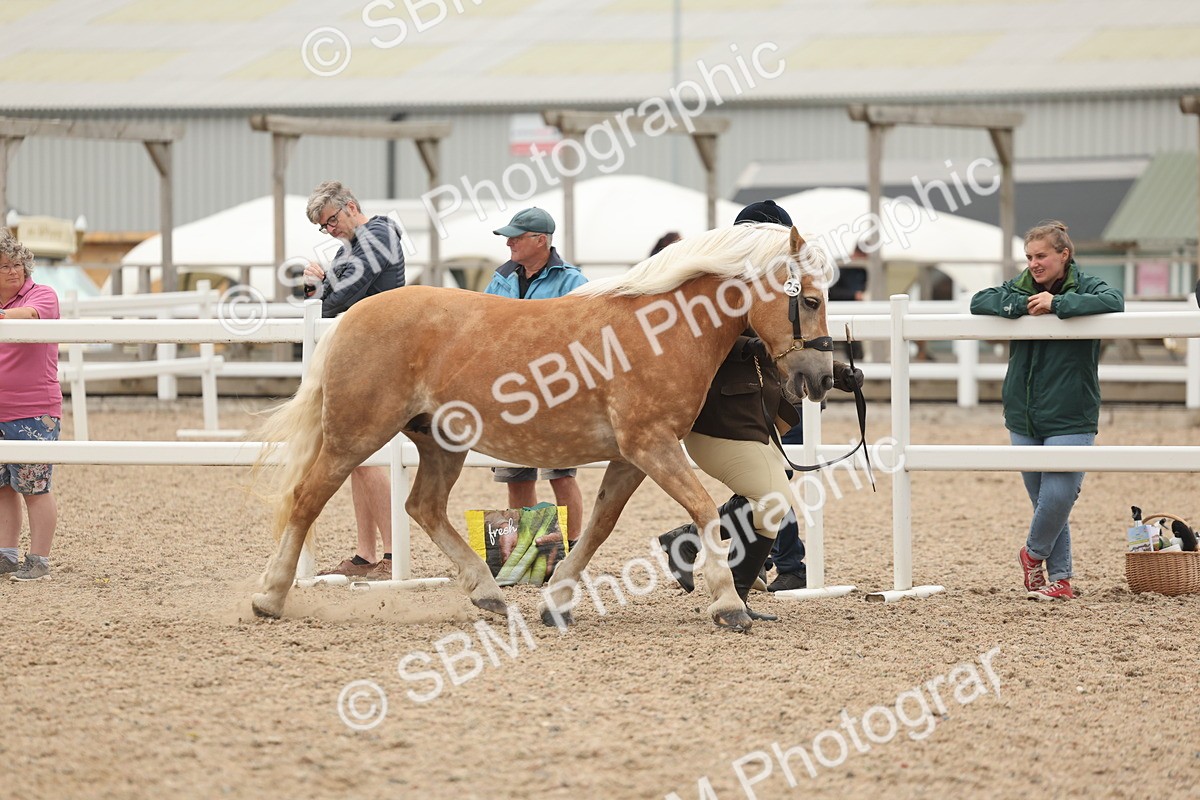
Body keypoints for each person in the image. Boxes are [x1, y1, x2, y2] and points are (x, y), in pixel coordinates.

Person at [659, 200, 864, 617]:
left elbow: (791, 338)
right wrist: (759, 346)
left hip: (762, 408)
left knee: (768, 492)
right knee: (772, 493)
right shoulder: (719, 292)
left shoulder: (771, 289)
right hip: (727, 414)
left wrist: (839, 373)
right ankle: (765, 570)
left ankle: (711, 555)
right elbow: (720, 339)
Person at [970, 220, 1123, 601]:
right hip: (1023, 412)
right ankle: (1061, 579)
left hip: (1071, 411)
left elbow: (1115, 301)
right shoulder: (1019, 287)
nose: (1034, 263)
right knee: (1046, 503)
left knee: (1058, 496)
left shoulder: (1087, 287)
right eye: (1029, 257)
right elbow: (979, 302)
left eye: (1041, 256)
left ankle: (1031, 554)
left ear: (1064, 255)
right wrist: (1022, 306)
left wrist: (1058, 305)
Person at [302, 180, 404, 580]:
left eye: (331, 221)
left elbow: (335, 300)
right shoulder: (355, 245)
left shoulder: (377, 236)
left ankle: (392, 555)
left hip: (382, 355)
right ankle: (367, 554)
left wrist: (321, 285)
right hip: (366, 356)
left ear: (350, 207)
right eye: (323, 227)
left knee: (366, 455)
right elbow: (328, 297)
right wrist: (321, 286)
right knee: (358, 459)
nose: (330, 230)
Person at [484, 207, 588, 545]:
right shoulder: (501, 278)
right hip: (511, 392)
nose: (509, 243)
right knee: (516, 476)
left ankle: (572, 549)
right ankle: (527, 552)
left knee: (560, 475)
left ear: (540, 240)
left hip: (556, 392)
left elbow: (586, 336)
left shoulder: (573, 282)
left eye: (516, 237)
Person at [0, 231, 62, 582]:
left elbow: (33, 314)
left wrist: (3, 316)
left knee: (35, 488)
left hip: (34, 410)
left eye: (17, 264)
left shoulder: (43, 294)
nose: (13, 271)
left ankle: (39, 559)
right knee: (2, 487)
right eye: (5, 266)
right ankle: (6, 555)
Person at [829, 244, 868, 361]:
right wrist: (853, 295)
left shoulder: (862, 269)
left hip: (855, 314)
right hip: (839, 313)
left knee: (855, 351)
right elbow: (832, 293)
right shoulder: (840, 266)